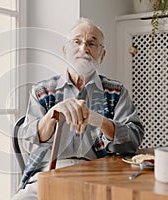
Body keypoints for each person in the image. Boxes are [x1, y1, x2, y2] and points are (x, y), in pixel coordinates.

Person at [12, 18, 144, 200]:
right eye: (77, 42)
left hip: (101, 175)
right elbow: (28, 142)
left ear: (102, 55)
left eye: (91, 43)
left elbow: (133, 139)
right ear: (65, 50)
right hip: (50, 174)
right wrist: (52, 115)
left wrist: (99, 120)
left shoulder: (116, 91)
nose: (84, 48)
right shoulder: (42, 90)